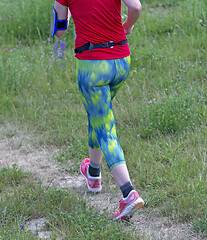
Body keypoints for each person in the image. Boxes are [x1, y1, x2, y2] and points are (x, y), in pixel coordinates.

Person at [51, 0, 144, 220]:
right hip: (121, 61)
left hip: (93, 66)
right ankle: (93, 173)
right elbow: (136, 7)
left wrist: (68, 14)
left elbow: (59, 31)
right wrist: (128, 26)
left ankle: (128, 193)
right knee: (98, 116)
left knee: (104, 128)